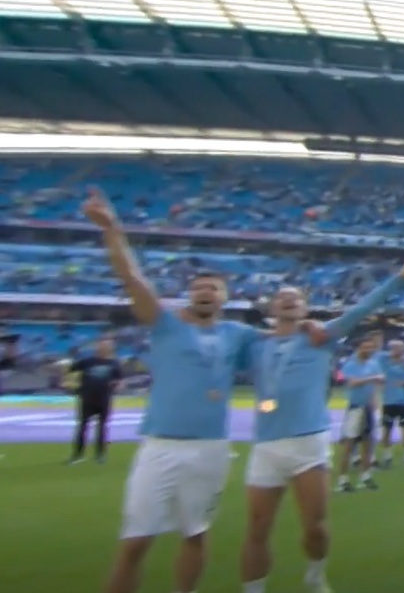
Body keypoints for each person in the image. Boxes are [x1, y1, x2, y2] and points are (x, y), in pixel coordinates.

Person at [83, 188, 260, 593]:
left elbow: (283, 342)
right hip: (160, 445)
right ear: (189, 294)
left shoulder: (239, 334)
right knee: (134, 541)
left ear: (225, 297)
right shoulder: (164, 323)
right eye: (198, 287)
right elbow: (131, 276)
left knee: (195, 534)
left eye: (212, 288)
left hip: (211, 448)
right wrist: (112, 229)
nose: (204, 291)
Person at [238, 259, 404, 593]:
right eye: (282, 297)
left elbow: (363, 308)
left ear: (305, 307)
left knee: (315, 528)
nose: (289, 300)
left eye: (296, 298)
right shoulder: (254, 345)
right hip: (266, 444)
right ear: (271, 307)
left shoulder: (322, 337)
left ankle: (316, 574)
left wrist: (400, 278)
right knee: (257, 527)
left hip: (308, 444)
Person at [334, 335, 385, 492]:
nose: (368, 350)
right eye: (365, 347)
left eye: (370, 347)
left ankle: (365, 476)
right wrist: (372, 378)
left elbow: (379, 380)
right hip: (355, 407)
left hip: (368, 406)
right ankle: (342, 479)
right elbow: (351, 382)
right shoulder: (351, 363)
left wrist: (376, 398)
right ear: (359, 348)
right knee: (349, 444)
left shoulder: (373, 363)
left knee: (368, 442)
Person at [67, 336, 123, 465]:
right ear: (96, 347)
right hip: (87, 398)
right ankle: (78, 454)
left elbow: (119, 380)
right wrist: (71, 383)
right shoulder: (87, 362)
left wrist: (116, 385)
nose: (103, 348)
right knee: (82, 426)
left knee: (102, 427)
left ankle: (100, 454)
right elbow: (70, 370)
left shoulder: (114, 363)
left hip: (104, 399)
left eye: (106, 346)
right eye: (101, 345)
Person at [376, 339, 404, 468]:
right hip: (388, 400)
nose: (398, 351)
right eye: (396, 348)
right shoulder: (383, 360)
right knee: (387, 428)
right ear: (391, 348)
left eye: (401, 348)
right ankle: (387, 455)